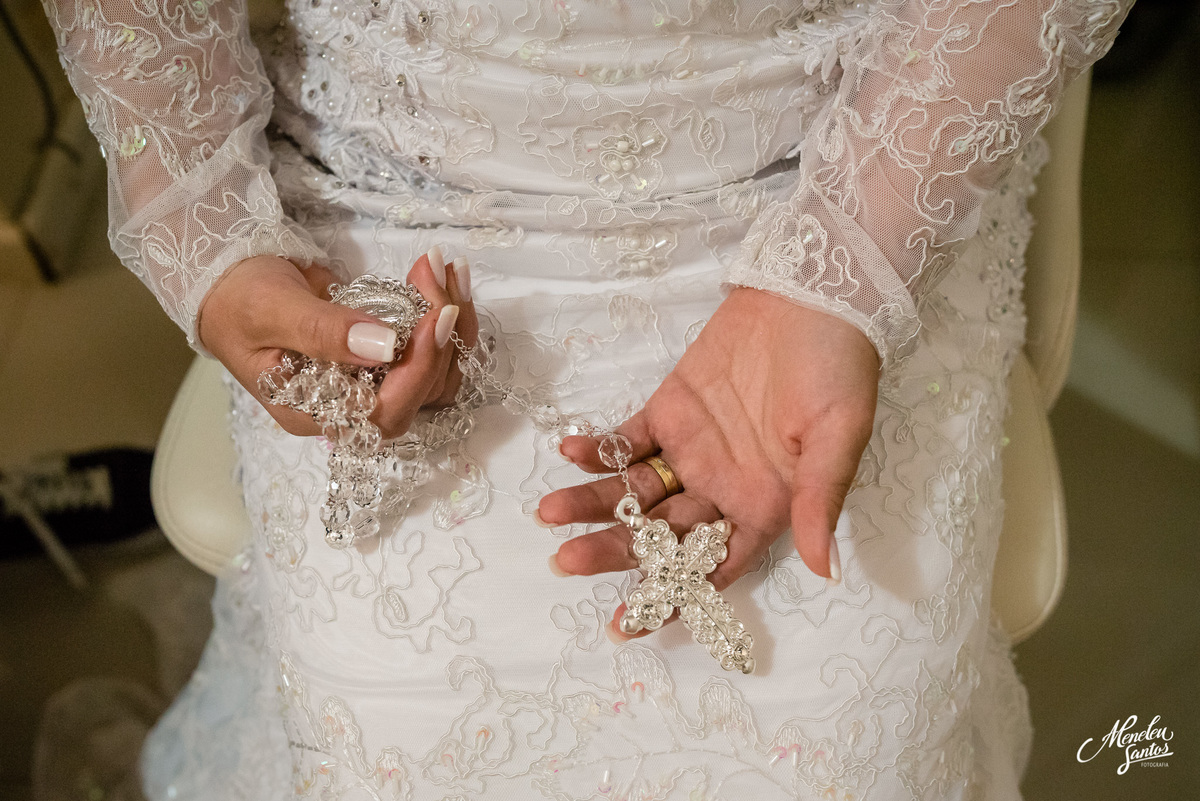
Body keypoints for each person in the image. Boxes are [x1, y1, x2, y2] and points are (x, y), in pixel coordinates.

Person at [41, 0, 1131, 797]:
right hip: (396, 194)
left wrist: (842, 268)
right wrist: (212, 243)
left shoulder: (844, 227)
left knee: (849, 739)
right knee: (385, 727)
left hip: (835, 168)